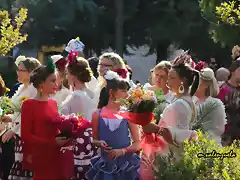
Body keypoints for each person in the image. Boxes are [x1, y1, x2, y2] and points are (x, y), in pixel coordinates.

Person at [140, 54, 199, 179]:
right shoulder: (185, 100)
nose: (167, 81)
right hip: (170, 156)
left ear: (182, 81)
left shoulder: (180, 104)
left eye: (171, 77)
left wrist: (155, 129)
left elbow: (180, 134)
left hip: (170, 159)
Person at [21, 61, 72, 179]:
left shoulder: (53, 103)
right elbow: (26, 135)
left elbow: (54, 128)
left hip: (56, 155)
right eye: (52, 81)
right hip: (40, 156)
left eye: (56, 80)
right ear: (40, 83)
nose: (56, 84)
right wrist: (52, 142)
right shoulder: (28, 105)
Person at [86, 70, 141, 180]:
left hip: (126, 165)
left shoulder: (128, 114)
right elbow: (94, 140)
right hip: (106, 164)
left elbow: (138, 143)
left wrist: (122, 151)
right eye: (124, 91)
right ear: (112, 92)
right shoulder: (97, 114)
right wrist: (99, 143)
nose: (127, 94)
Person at [1, 56, 41, 180]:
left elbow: (32, 116)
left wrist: (14, 130)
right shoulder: (21, 88)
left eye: (21, 70)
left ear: (31, 72)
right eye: (18, 69)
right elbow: (18, 112)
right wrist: (10, 117)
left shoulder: (34, 90)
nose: (17, 73)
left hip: (26, 135)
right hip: (17, 134)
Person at [61, 55, 96, 179]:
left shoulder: (77, 95)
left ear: (73, 75)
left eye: (67, 73)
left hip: (77, 140)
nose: (66, 76)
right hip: (89, 138)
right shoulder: (90, 93)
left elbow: (77, 121)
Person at [193, 68, 226, 145]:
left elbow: (219, 129)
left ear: (205, 85)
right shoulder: (192, 101)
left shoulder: (215, 104)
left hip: (208, 146)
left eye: (195, 82)